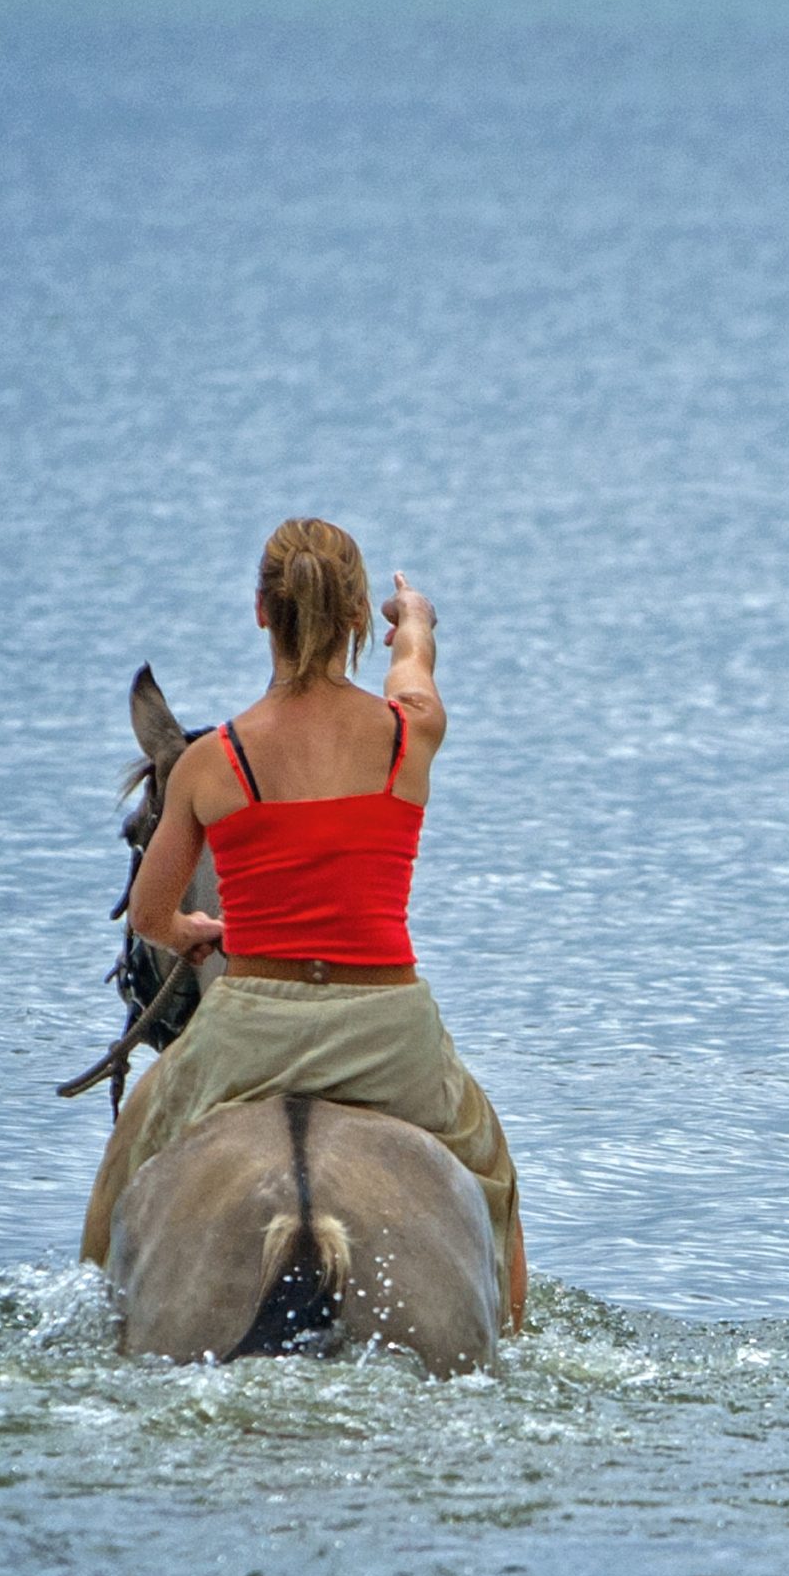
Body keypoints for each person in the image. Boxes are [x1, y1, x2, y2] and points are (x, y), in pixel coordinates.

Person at [79, 517, 526, 1328]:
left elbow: (149, 913)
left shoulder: (215, 762)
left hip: (252, 1026)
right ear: (358, 614)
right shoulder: (409, 731)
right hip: (389, 1031)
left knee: (124, 1166)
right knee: (494, 1177)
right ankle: (518, 1343)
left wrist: (192, 934)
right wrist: (414, 620)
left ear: (260, 612)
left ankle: (86, 1322)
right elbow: (413, 667)